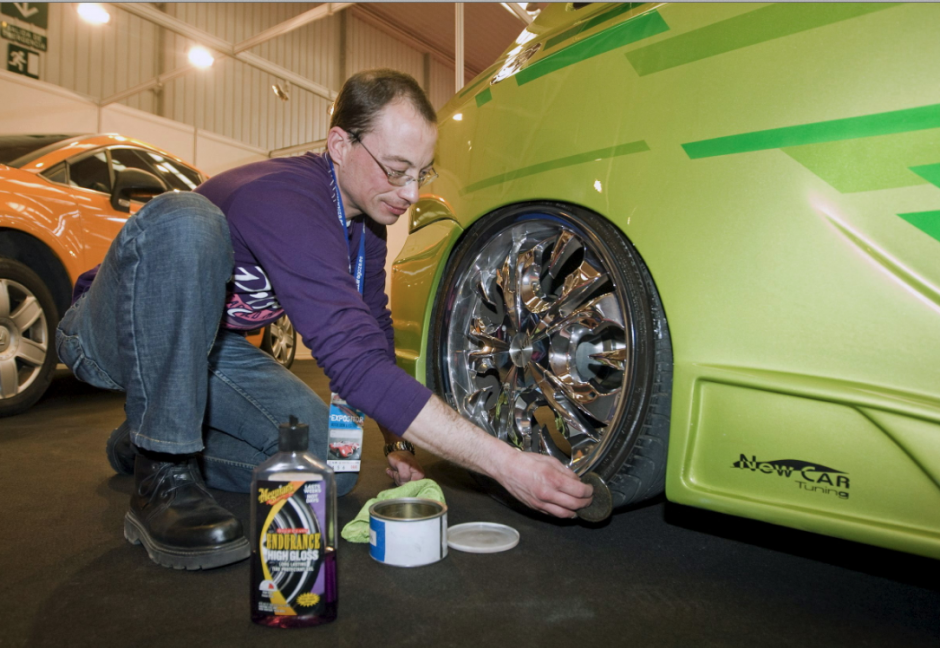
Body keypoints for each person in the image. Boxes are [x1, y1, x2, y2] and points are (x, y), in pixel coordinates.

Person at [56, 69, 593, 571]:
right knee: (186, 217)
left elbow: (372, 337)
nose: (411, 194)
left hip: (207, 350)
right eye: (396, 170)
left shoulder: (366, 229)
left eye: (421, 174)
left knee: (327, 467)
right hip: (108, 336)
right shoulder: (286, 196)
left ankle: (145, 436)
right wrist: (505, 464)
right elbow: (350, 361)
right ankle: (164, 471)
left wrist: (398, 441)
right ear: (340, 145)